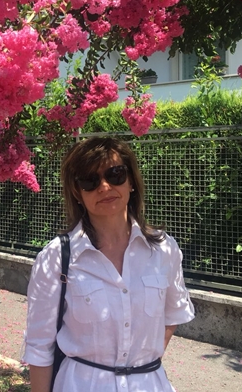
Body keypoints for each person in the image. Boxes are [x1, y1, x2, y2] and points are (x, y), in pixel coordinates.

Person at [22, 137, 195, 392]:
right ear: (77, 193)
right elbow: (40, 347)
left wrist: (139, 364)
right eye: (89, 181)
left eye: (115, 174)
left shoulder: (163, 249)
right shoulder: (56, 257)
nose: (104, 187)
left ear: (131, 181)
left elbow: (173, 315)